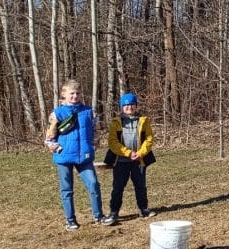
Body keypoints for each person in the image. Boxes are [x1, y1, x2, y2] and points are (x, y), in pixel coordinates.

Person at [45, 79, 108, 230]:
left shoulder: (89, 112)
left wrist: (93, 146)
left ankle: (99, 216)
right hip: (64, 157)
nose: (75, 96)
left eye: (77, 93)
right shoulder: (57, 113)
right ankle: (70, 220)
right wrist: (56, 148)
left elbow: (97, 131)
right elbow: (49, 137)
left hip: (84, 157)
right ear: (64, 94)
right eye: (71, 93)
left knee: (93, 184)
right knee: (67, 190)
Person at [107, 92, 157, 224]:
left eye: (132, 104)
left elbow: (149, 139)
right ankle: (114, 212)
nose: (129, 107)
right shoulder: (115, 122)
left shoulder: (143, 121)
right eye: (126, 105)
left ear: (136, 106)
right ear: (121, 107)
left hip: (138, 161)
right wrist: (128, 153)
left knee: (140, 186)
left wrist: (140, 153)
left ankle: (143, 209)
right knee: (118, 187)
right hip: (121, 162)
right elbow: (112, 142)